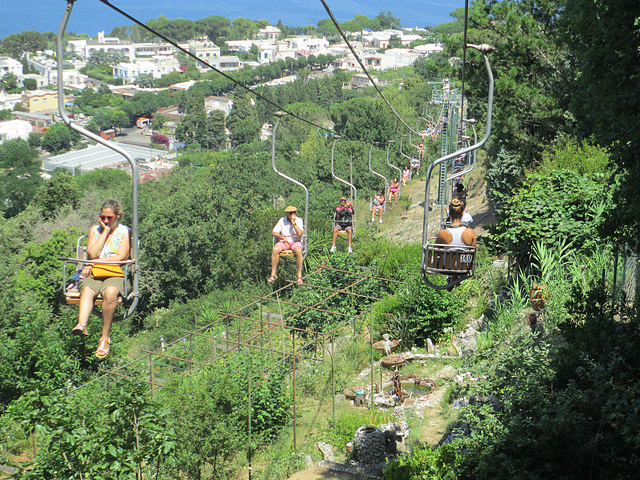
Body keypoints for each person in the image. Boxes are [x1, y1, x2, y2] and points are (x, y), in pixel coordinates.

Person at [71, 199, 131, 360]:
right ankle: (81, 325)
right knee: (87, 289)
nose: (105, 221)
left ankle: (105, 338)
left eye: (109, 218)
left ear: (117, 216)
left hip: (113, 272)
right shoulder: (95, 230)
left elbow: (120, 257)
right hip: (94, 271)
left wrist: (92, 262)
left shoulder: (125, 232)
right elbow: (93, 252)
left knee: (110, 293)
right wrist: (104, 232)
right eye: (102, 217)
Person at [435, 198, 476, 288]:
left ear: (449, 214)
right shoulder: (470, 232)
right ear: (462, 213)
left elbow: (437, 251)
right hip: (463, 266)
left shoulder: (442, 233)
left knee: (449, 259)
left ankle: (452, 278)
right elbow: (472, 251)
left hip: (446, 266)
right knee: (459, 261)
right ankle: (454, 279)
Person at [269, 205, 305, 285]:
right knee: (275, 249)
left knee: (299, 251)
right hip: (285, 241)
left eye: (294, 212)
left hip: (295, 241)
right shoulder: (282, 220)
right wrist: (283, 239)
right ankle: (273, 274)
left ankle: (299, 275)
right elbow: (274, 232)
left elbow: (300, 233)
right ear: (287, 214)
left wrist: (294, 224)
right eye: (290, 213)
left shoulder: (299, 220)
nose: (292, 214)